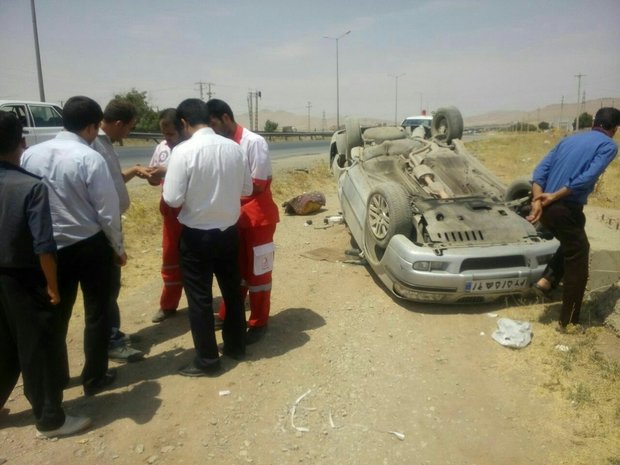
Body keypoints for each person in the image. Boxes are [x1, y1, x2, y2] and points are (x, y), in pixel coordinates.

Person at [21, 96, 124, 396]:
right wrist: (118, 247)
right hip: (90, 245)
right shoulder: (90, 158)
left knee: (55, 315)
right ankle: (95, 377)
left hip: (50, 248)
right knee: (96, 312)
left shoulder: (31, 155)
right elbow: (107, 210)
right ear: (92, 127)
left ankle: (56, 378)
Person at [0, 111, 91, 438]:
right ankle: (50, 419)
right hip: (23, 278)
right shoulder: (31, 186)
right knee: (37, 347)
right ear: (21, 143)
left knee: (5, 345)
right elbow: (44, 247)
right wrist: (52, 287)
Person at [163, 99, 252, 376]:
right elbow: (247, 187)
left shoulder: (183, 151)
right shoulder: (234, 149)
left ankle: (208, 360)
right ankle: (236, 346)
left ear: (184, 124)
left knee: (200, 299)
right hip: (228, 233)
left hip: (196, 236)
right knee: (232, 291)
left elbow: (172, 197)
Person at [527, 107, 620, 331]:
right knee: (579, 256)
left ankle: (547, 280)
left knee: (574, 238)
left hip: (549, 211)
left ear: (594, 123)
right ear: (614, 129)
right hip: (563, 207)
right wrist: (554, 196)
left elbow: (540, 172)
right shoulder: (608, 145)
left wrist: (538, 201)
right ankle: (568, 322)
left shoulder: (568, 141)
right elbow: (587, 177)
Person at [206, 99, 280, 344]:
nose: (213, 130)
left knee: (258, 274)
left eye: (214, 123)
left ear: (226, 118)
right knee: (234, 272)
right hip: (234, 219)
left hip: (257, 219)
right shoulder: (222, 144)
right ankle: (230, 315)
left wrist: (223, 198)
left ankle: (259, 322)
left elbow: (258, 185)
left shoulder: (253, 142)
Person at [92, 99, 150, 362]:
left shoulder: (103, 144)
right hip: (102, 229)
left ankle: (110, 333)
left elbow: (112, 182)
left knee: (107, 289)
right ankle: (111, 341)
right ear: (118, 124)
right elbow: (102, 197)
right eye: (129, 128)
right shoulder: (95, 146)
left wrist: (132, 171)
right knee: (106, 288)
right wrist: (117, 244)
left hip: (102, 226)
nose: (128, 133)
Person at [148, 109, 185, 323]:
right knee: (170, 258)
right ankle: (168, 305)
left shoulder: (190, 149)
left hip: (190, 212)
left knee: (195, 261)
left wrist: (167, 171)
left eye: (171, 134)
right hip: (170, 213)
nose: (167, 139)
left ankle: (200, 301)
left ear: (181, 129)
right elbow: (154, 181)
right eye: (164, 134)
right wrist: (152, 176)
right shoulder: (161, 149)